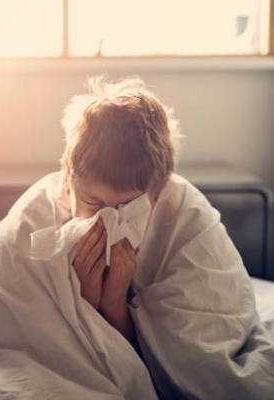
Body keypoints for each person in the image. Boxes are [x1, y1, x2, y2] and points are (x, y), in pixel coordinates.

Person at [57, 74, 181, 347]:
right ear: (68, 185)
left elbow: (142, 363)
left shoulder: (170, 235)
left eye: (127, 209)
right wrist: (83, 300)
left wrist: (114, 302)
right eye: (94, 203)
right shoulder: (43, 230)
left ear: (155, 200)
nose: (109, 221)